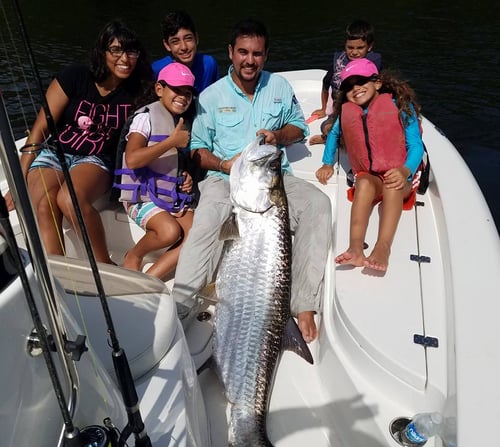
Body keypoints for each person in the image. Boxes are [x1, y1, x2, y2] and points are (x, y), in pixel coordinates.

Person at [173, 18, 332, 343]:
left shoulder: (279, 87)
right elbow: (198, 151)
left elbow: (299, 128)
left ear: (266, 55)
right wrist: (224, 164)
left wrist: (277, 136)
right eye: (242, 52)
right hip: (224, 178)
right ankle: (179, 309)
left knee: (318, 204)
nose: (249, 60)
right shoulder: (211, 95)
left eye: (257, 54)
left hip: (273, 176)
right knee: (206, 224)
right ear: (230, 53)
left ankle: (302, 305)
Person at [7, 20, 153, 264]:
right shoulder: (75, 76)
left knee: (69, 199)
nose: (125, 58)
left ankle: (105, 266)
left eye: (131, 51)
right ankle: (59, 273)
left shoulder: (139, 91)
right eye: (116, 50)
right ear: (102, 52)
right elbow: (41, 127)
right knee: (43, 202)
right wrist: (17, 181)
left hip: (96, 159)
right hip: (55, 152)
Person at [315, 58, 424, 273]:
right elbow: (334, 134)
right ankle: (356, 248)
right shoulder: (348, 111)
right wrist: (327, 163)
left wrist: (405, 170)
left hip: (400, 176)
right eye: (348, 87)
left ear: (377, 83)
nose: (355, 89)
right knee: (363, 183)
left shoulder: (400, 106)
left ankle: (382, 247)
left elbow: (415, 145)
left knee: (392, 186)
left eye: (361, 82)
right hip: (371, 176)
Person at [114, 63, 196, 280]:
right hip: (140, 197)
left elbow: (170, 162)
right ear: (160, 89)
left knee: (196, 234)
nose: (183, 96)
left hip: (169, 195)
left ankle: (151, 280)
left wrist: (184, 176)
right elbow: (132, 159)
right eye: (176, 90)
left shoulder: (179, 121)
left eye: (187, 93)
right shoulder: (145, 117)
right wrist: (171, 141)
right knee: (170, 232)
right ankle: (133, 255)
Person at [309, 20, 381, 145]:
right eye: (350, 47)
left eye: (360, 48)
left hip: (363, 110)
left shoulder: (372, 64)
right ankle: (329, 138)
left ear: (369, 47)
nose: (354, 52)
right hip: (340, 109)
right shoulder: (339, 61)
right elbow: (326, 83)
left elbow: (380, 88)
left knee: (363, 132)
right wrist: (323, 108)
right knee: (326, 127)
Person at [152, 10, 218, 94]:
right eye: (175, 41)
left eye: (188, 38)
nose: (184, 47)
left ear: (196, 38)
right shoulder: (157, 69)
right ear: (167, 45)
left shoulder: (209, 64)